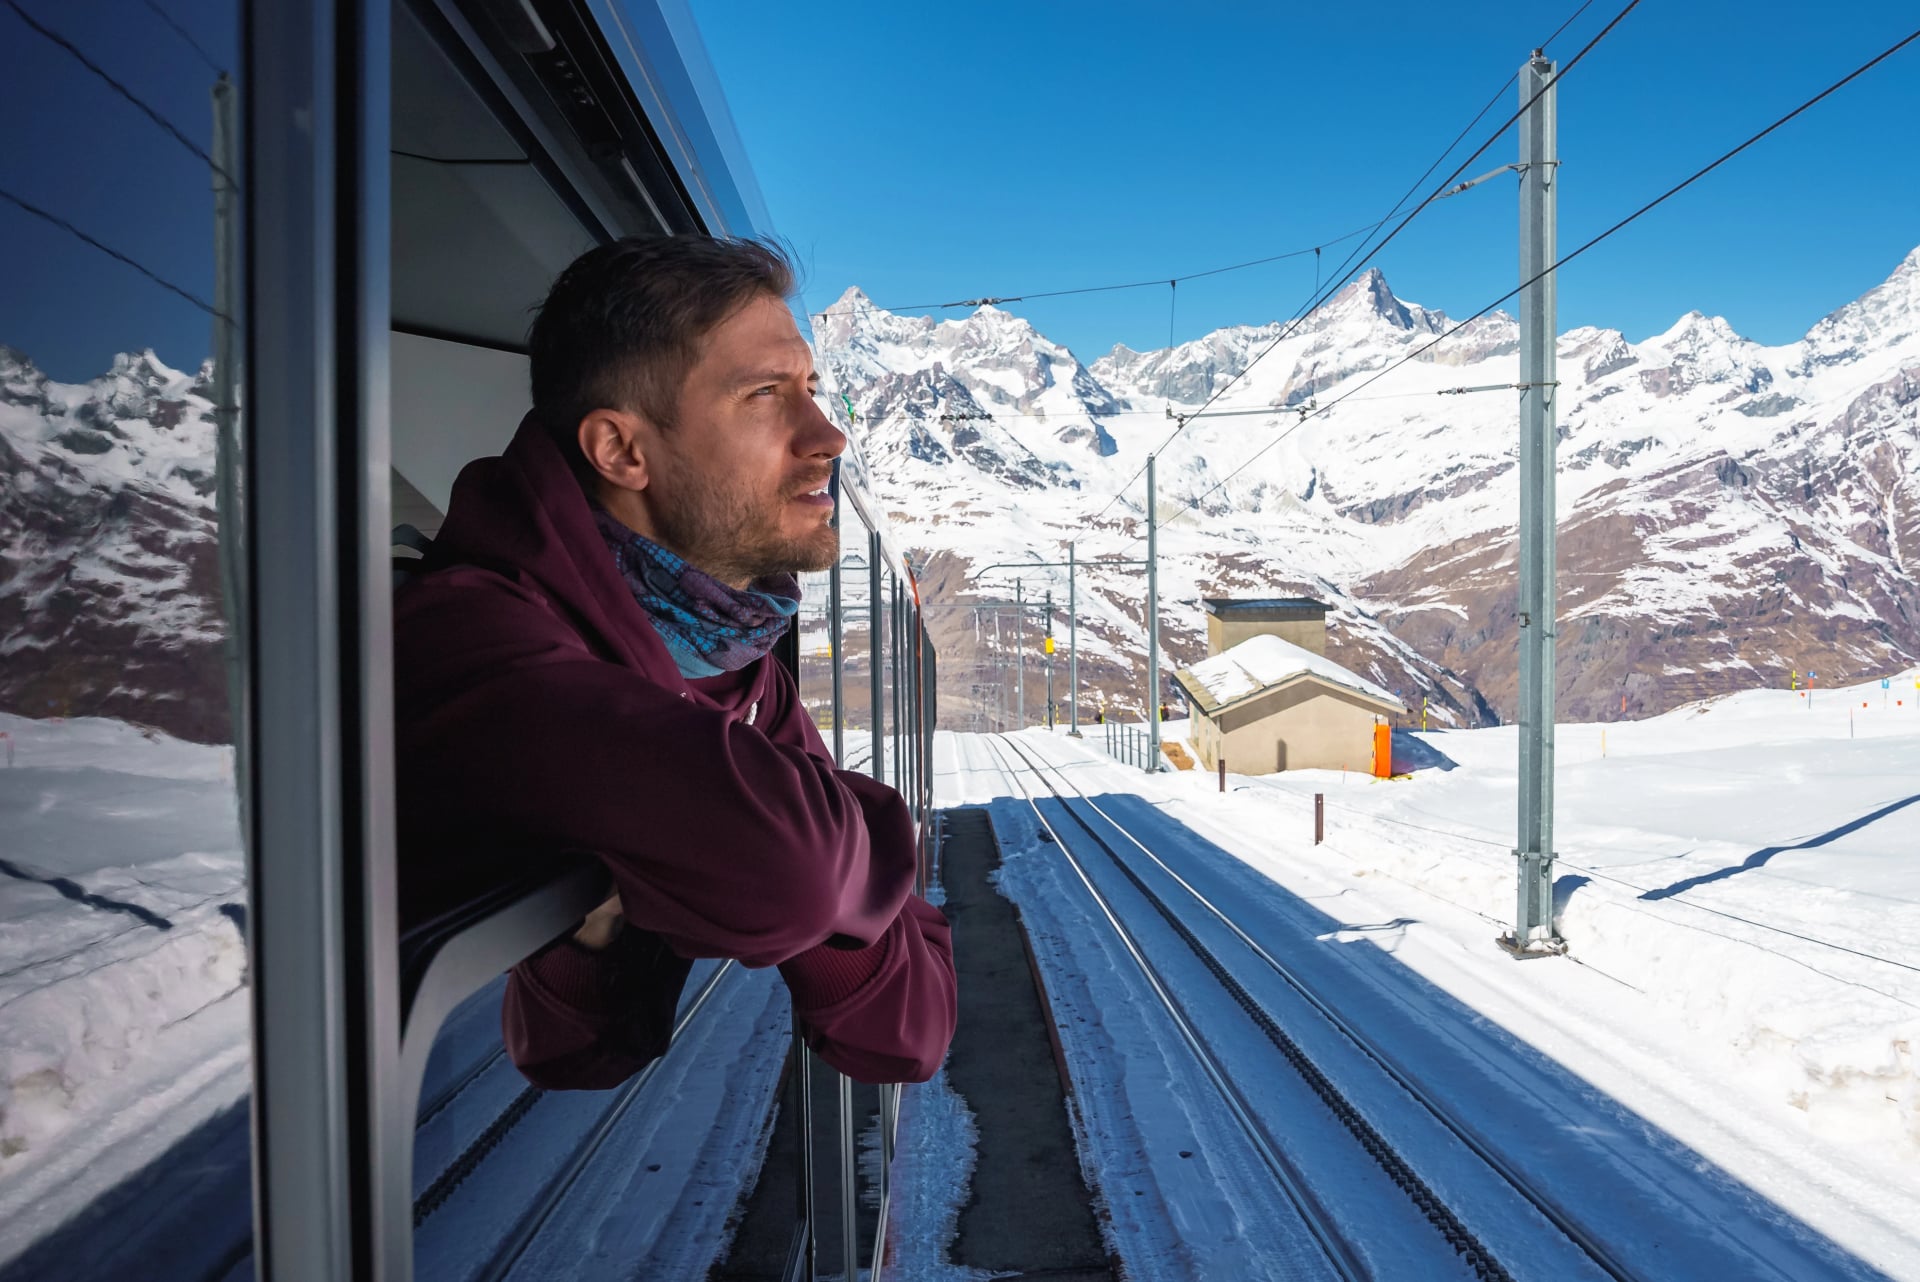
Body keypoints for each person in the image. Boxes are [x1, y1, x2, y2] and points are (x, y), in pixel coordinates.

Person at [394, 235, 956, 1089]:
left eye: (811, 389)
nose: (828, 435)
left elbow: (906, 1036)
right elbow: (790, 869)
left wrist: (612, 919)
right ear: (623, 452)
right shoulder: (478, 639)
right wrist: (856, 833)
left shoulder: (731, 655)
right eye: (766, 394)